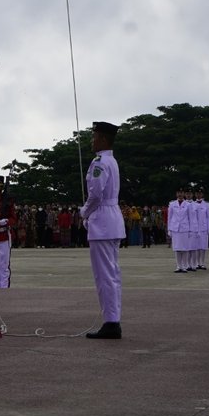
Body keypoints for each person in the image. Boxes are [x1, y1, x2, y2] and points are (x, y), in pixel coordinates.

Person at [83, 121, 126, 339]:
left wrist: (84, 212)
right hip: (112, 219)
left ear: (102, 139)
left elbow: (96, 194)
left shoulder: (99, 162)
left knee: (105, 276)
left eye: (94, 137)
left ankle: (111, 322)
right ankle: (112, 319)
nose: (92, 141)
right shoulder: (111, 161)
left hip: (102, 221)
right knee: (112, 274)